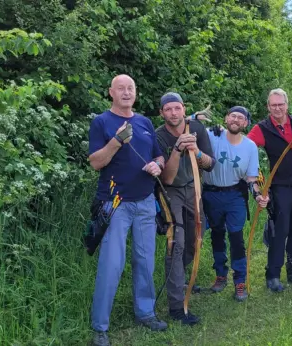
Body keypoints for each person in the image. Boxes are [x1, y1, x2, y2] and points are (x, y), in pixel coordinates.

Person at [87, 75, 167, 346]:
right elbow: (96, 163)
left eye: (130, 88)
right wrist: (116, 141)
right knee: (112, 265)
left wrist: (158, 165)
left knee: (145, 261)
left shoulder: (144, 122)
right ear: (110, 92)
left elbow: (159, 155)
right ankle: (100, 326)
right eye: (120, 88)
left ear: (136, 92)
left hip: (145, 202)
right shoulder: (102, 122)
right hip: (115, 203)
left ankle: (145, 313)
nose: (126, 92)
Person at [247, 88, 292, 292]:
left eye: (281, 104)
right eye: (273, 105)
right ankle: (273, 275)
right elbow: (247, 150)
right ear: (268, 107)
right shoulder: (262, 128)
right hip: (280, 188)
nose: (277, 108)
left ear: (287, 104)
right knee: (280, 231)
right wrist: (257, 182)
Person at [155, 92, 215, 325]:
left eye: (177, 108)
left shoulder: (196, 128)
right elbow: (168, 178)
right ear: (162, 113)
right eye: (168, 109)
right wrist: (178, 150)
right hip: (172, 193)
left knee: (195, 239)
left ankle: (179, 279)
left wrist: (197, 152)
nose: (173, 113)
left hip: (195, 189)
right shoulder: (159, 136)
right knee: (176, 244)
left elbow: (210, 164)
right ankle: (177, 306)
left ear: (183, 109)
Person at [202, 106, 269, 301]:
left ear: (246, 123)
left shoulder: (250, 146)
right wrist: (197, 122)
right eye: (233, 115)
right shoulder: (211, 135)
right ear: (226, 118)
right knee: (216, 235)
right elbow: (189, 131)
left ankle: (240, 281)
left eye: (241, 118)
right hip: (211, 194)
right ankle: (220, 274)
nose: (236, 119)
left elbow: (252, 178)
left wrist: (257, 196)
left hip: (235, 196)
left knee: (236, 238)